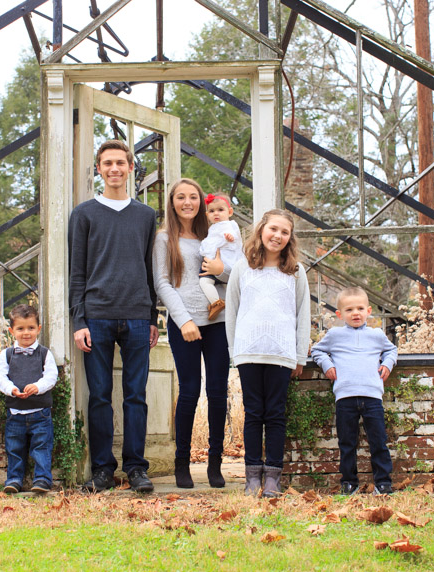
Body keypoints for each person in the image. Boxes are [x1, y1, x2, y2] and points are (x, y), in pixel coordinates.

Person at [68, 140, 159, 493]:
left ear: (131, 168)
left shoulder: (146, 216)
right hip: (97, 317)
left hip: (137, 316)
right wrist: (79, 321)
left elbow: (151, 270)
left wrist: (153, 316)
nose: (115, 169)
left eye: (121, 163)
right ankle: (103, 470)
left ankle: (136, 468)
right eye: (107, 163)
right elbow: (77, 271)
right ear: (98, 169)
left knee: (136, 395)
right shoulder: (84, 214)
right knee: (100, 396)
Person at [225, 209, 311, 498]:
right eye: (273, 229)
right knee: (253, 414)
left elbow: (303, 314)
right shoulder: (242, 267)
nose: (278, 236)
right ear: (261, 230)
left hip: (281, 354)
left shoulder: (295, 272)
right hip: (249, 353)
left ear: (290, 238)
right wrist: (233, 352)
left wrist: (300, 355)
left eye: (284, 232)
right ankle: (252, 476)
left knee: (275, 414)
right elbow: (232, 312)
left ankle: (273, 477)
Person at [153, 179, 232, 489]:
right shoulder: (164, 239)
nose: (188, 202)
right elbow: (162, 283)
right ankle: (181, 463)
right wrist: (184, 320)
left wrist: (219, 270)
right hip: (184, 324)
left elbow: (231, 274)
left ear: (201, 201)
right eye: (181, 197)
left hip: (218, 321)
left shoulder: (213, 234)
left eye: (193, 197)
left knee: (217, 392)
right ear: (172, 202)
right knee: (189, 391)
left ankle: (215, 463)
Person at [311, 287, 398, 496]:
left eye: (360, 308)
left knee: (378, 441)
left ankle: (383, 483)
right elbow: (316, 350)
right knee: (347, 443)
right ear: (340, 315)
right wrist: (326, 364)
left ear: (369, 311)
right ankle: (349, 482)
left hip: (372, 396)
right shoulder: (335, 335)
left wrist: (387, 364)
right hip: (345, 396)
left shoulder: (376, 335)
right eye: (349, 310)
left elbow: (391, 350)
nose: (356, 313)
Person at [0, 304, 58, 494]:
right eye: (20, 329)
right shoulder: (6, 354)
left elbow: (51, 376)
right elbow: (0, 377)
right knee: (14, 449)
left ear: (38, 329)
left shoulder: (45, 353)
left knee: (41, 448)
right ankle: (14, 480)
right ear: (12, 331)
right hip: (15, 413)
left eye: (30, 328)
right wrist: (11, 389)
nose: (26, 333)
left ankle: (42, 479)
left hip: (40, 413)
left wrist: (37, 387)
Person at [198, 193, 243, 321]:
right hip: (220, 264)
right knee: (215, 284)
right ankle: (222, 304)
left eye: (220, 210)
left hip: (224, 263)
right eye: (211, 211)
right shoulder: (213, 228)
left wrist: (231, 237)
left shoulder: (229, 225)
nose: (216, 213)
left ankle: (217, 303)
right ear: (207, 215)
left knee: (205, 281)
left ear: (230, 212)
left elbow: (234, 236)